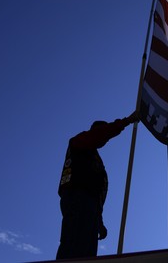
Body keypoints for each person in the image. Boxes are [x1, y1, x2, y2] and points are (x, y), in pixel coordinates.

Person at [56, 111, 137, 260]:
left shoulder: (95, 160)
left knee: (87, 250)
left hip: (89, 205)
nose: (104, 140)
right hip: (77, 197)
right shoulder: (78, 142)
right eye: (103, 132)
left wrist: (99, 222)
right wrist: (127, 121)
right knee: (74, 243)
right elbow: (100, 134)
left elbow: (97, 192)